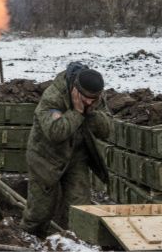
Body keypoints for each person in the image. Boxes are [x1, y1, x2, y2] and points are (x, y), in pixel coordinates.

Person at [20, 62, 112, 238]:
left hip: (76, 156)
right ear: (75, 89)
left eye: (94, 99)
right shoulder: (53, 96)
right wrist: (77, 112)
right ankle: (29, 240)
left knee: (80, 207)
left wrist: (92, 113)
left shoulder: (95, 98)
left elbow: (107, 131)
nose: (89, 102)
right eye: (85, 98)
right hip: (45, 157)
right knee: (40, 211)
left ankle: (77, 242)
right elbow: (55, 132)